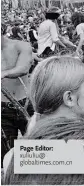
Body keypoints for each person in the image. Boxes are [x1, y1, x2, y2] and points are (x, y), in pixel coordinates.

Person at [1, 32, 35, 162]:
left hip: (26, 104)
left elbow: (23, 68)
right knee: (6, 154)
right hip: (3, 109)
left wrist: (2, 74)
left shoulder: (22, 46)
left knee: (37, 146)